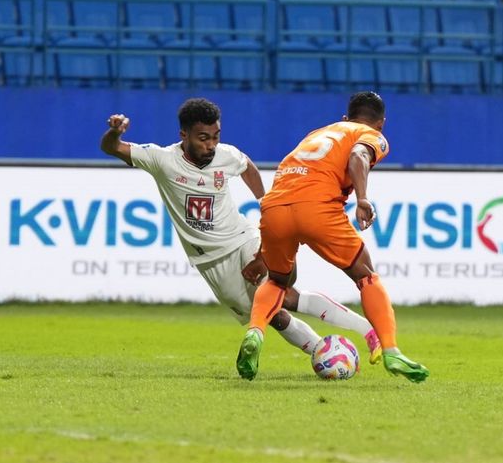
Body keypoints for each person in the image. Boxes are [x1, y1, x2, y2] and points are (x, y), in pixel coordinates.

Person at [100, 98, 382, 366]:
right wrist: (114, 133)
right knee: (277, 313)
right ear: (183, 135)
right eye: (203, 138)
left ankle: (364, 333)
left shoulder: (227, 155)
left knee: (279, 289)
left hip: (244, 238)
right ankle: (323, 350)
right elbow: (113, 148)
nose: (211, 144)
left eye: (216, 136)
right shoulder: (161, 159)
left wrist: (265, 205)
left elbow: (246, 165)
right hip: (210, 260)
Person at [236, 91, 429, 383]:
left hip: (274, 206)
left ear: (345, 118)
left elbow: (291, 181)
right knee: (366, 275)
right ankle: (391, 349)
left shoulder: (319, 133)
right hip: (318, 207)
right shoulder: (370, 135)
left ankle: (255, 331)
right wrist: (363, 198)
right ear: (381, 124)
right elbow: (358, 156)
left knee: (277, 281)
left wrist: (264, 252)